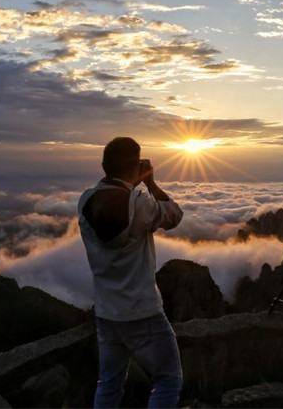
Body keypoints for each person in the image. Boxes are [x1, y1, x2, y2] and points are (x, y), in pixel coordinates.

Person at [78, 136, 184, 408]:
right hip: (142, 312)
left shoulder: (85, 201)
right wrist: (150, 183)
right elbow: (174, 214)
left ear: (104, 165)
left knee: (108, 385)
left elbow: (114, 200)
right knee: (168, 379)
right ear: (137, 166)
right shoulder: (139, 205)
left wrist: (134, 179)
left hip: (106, 313)